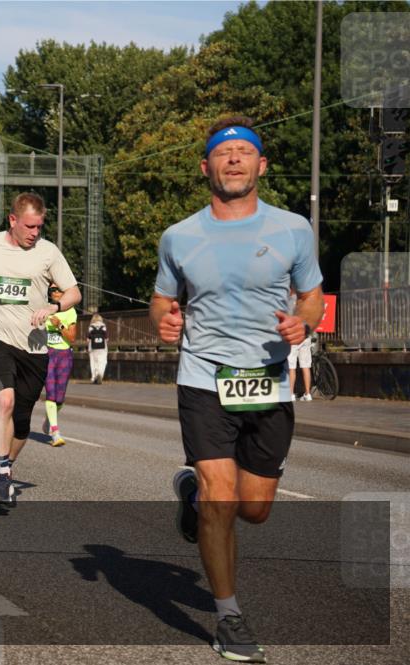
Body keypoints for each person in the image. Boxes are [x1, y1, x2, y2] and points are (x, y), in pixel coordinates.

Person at [150, 117, 323, 664]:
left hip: (268, 382)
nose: (233, 161)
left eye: (244, 153)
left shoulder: (293, 228)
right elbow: (162, 299)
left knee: (255, 509)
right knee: (222, 498)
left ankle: (191, 495)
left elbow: (312, 296)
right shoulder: (179, 236)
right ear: (206, 167)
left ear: (260, 165)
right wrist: (165, 321)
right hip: (204, 379)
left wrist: (305, 323)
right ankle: (229, 617)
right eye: (223, 154)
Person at [0, 192, 80, 505]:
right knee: (5, 400)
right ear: (12, 220)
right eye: (29, 226)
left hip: (35, 347)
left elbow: (74, 292)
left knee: (22, 422)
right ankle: (1, 471)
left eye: (39, 227)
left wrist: (54, 306)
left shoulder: (48, 253)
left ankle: (5, 464)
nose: (34, 233)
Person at [43, 283, 79, 446]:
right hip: (48, 354)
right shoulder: (44, 309)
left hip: (64, 355)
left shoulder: (70, 311)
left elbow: (71, 338)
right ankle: (55, 432)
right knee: (50, 392)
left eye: (59, 290)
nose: (56, 293)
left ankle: (49, 419)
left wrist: (59, 324)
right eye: (53, 290)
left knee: (60, 398)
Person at [286, 288, 313, 401]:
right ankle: (308, 393)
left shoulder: (288, 301)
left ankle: (291, 394)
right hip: (306, 337)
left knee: (291, 366)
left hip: (294, 337)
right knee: (305, 366)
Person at [87, 313, 108, 384]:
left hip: (93, 347)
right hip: (102, 347)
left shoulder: (91, 327)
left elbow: (88, 338)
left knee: (93, 362)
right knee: (102, 361)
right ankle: (100, 374)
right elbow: (106, 338)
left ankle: (94, 377)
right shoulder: (103, 326)